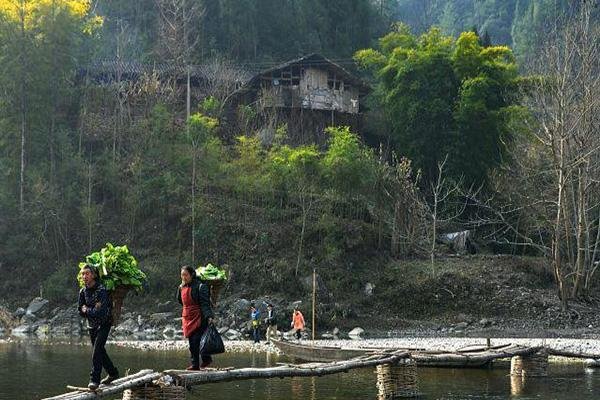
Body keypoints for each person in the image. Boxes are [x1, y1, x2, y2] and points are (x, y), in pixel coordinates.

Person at [78, 264, 119, 390]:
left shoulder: (101, 290)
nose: (85, 276)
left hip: (104, 323)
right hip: (92, 326)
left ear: (94, 275)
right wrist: (90, 309)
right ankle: (113, 373)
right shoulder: (83, 291)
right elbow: (80, 310)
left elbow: (100, 312)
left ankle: (94, 380)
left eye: (87, 274)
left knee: (96, 351)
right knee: (100, 351)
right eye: (83, 274)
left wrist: (87, 310)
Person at [177, 265, 215, 370]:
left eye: (186, 275)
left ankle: (203, 360)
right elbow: (180, 300)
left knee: (197, 340)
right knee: (191, 343)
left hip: (199, 317)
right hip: (187, 317)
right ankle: (196, 364)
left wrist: (209, 316)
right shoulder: (181, 287)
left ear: (192, 275)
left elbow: (205, 303)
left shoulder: (200, 287)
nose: (183, 277)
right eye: (182, 275)